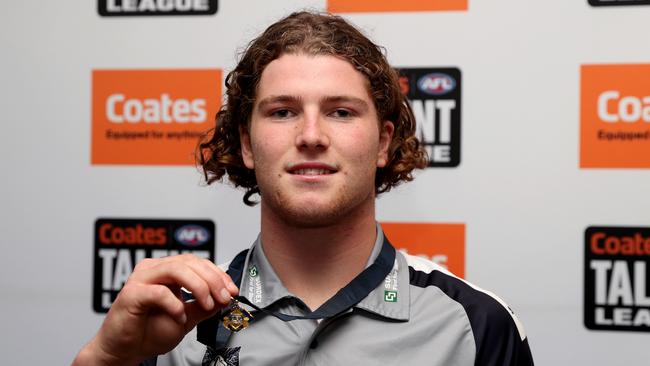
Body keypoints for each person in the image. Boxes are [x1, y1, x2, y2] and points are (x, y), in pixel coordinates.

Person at [73, 11, 534, 366]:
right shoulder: (173, 321)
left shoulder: (473, 325)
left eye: (341, 112)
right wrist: (107, 359)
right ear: (248, 144)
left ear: (383, 143)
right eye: (282, 112)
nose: (311, 135)